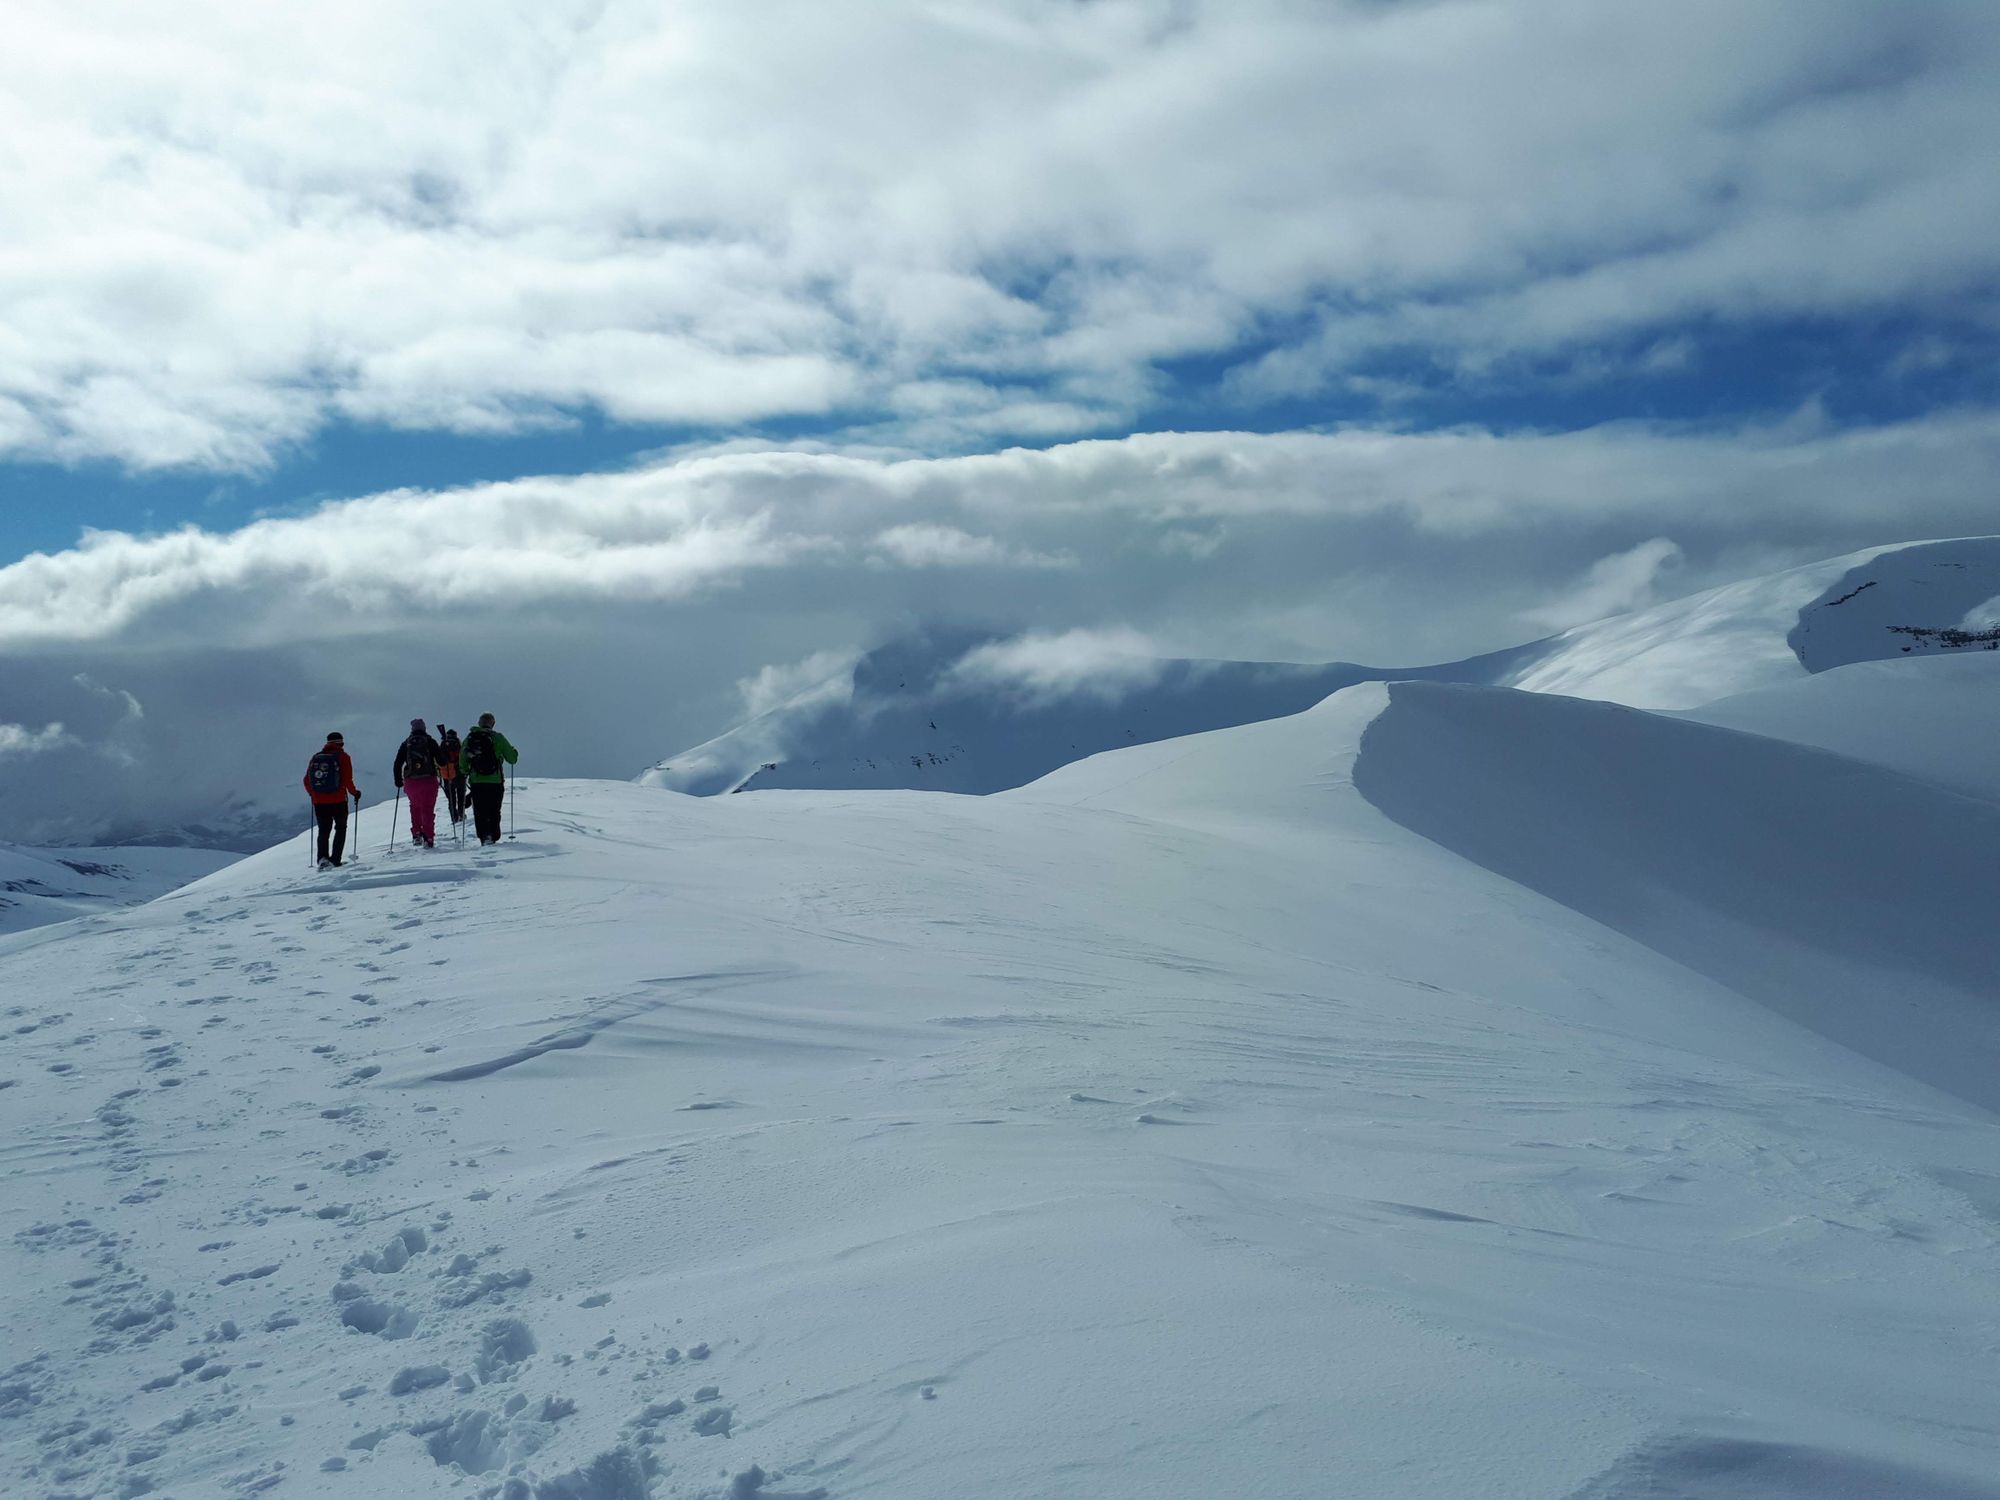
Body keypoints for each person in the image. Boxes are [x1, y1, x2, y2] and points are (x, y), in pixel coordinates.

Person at [304, 731, 361, 869]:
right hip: (338, 800)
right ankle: (335, 860)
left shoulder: (316, 757)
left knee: (323, 830)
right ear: (341, 743)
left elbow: (306, 780)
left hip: (319, 802)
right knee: (340, 828)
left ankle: (322, 859)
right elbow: (347, 780)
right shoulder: (343, 757)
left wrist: (313, 794)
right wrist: (355, 793)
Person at [462, 712, 518, 845]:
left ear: (479, 723)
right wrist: (514, 752)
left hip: (477, 781)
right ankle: (494, 835)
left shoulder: (471, 737)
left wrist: (465, 771)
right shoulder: (498, 738)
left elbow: (462, 758)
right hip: (495, 781)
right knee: (494, 809)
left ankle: (484, 837)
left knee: (480, 810)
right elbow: (512, 759)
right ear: (493, 724)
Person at [392, 718, 444, 848]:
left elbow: (397, 763)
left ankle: (416, 834)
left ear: (412, 729)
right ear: (424, 728)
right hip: (429, 780)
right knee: (427, 809)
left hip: (411, 782)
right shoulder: (430, 742)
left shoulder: (406, 743)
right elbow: (442, 762)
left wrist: (398, 780)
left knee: (415, 807)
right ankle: (429, 838)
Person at [436, 725, 466, 828]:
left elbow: (438, 761)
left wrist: (439, 773)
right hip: (459, 773)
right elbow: (463, 757)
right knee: (461, 795)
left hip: (447, 775)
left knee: (451, 798)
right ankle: (461, 814)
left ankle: (454, 817)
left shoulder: (443, 745)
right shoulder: (458, 744)